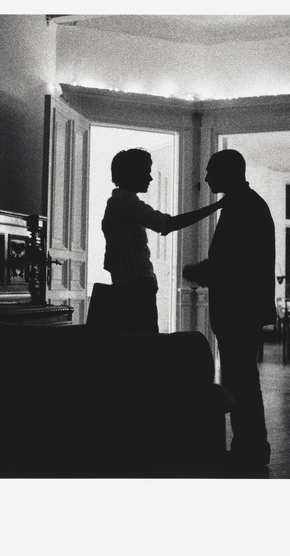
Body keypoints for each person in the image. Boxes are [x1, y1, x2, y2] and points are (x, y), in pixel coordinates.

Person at [182, 149, 276, 469]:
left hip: (239, 311)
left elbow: (236, 265)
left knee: (241, 381)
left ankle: (250, 448)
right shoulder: (245, 204)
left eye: (211, 171)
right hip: (242, 311)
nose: (206, 177)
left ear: (229, 172)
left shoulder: (242, 207)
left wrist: (199, 272)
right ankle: (250, 446)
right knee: (241, 379)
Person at [101, 147, 223, 333]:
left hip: (128, 285)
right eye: (146, 172)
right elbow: (166, 223)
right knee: (146, 343)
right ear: (132, 173)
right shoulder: (125, 202)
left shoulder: (118, 202)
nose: (150, 178)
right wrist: (216, 206)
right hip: (136, 287)